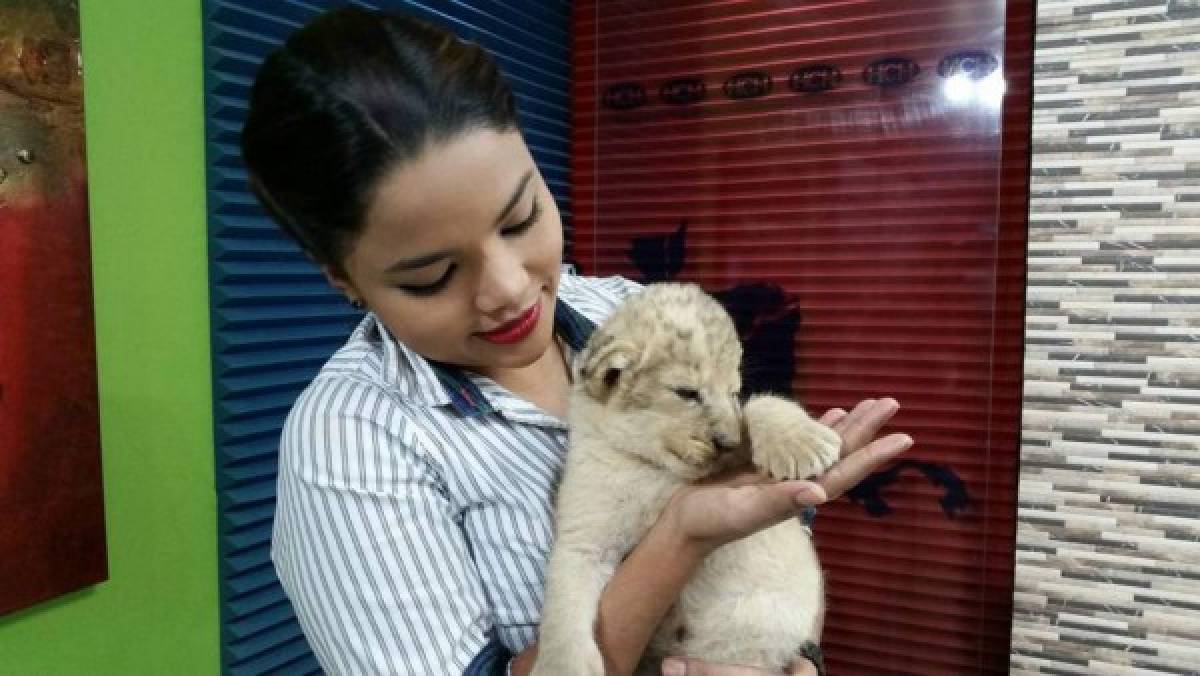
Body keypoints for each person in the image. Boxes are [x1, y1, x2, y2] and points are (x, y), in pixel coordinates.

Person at [241, 7, 913, 676]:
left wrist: (795, 654)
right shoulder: (350, 441)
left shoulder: (619, 307)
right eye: (433, 275)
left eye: (520, 217)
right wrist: (679, 536)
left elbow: (773, 523)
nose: (508, 289)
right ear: (343, 277)